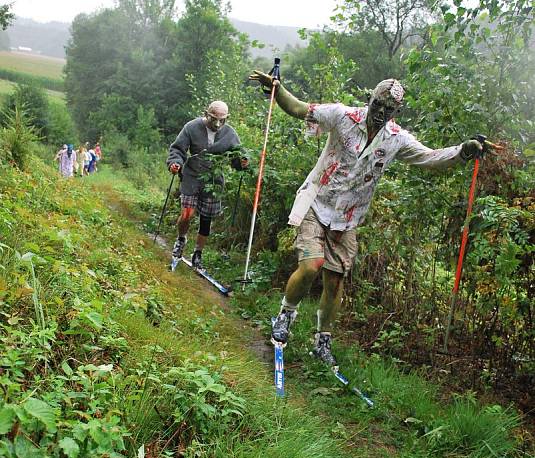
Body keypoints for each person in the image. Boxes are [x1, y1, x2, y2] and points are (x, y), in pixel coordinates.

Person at [249, 70, 489, 366]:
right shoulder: (343, 116)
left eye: (389, 110)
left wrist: (463, 151)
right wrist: (277, 88)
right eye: (377, 105)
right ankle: (286, 315)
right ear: (369, 99)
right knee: (311, 265)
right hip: (317, 202)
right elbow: (301, 109)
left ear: (397, 112)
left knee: (335, 283)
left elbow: (430, 158)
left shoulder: (396, 139)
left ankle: (322, 341)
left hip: (348, 218)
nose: (381, 113)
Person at [166, 100, 248, 269]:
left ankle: (198, 253)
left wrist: (243, 162)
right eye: (214, 119)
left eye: (222, 120)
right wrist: (175, 163)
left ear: (226, 118)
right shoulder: (191, 127)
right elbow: (177, 149)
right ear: (206, 114)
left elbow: (238, 156)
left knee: (206, 219)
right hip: (192, 175)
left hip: (213, 179)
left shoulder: (230, 134)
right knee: (187, 213)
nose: (218, 124)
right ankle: (181, 240)